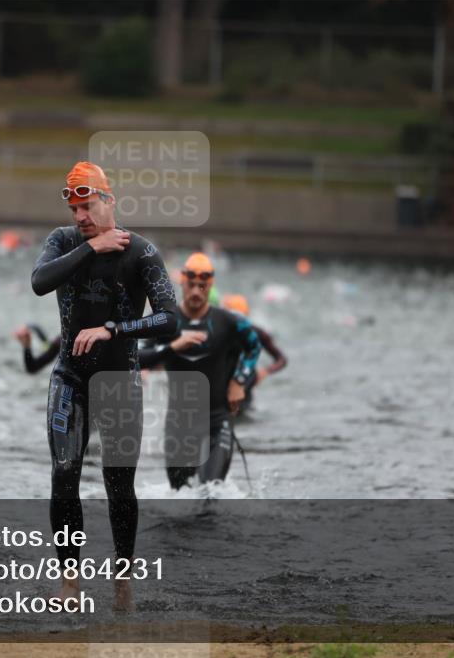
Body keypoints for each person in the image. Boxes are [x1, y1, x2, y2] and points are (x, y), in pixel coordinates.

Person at [31, 161, 178, 610]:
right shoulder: (64, 241)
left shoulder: (141, 252)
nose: (81, 216)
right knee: (63, 474)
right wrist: (92, 246)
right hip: (70, 378)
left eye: (88, 206)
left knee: (119, 485)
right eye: (75, 209)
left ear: (109, 200)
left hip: (120, 381)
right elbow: (39, 282)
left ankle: (122, 579)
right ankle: (70, 581)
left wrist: (114, 328)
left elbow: (170, 319)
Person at [139, 253, 261, 490]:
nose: (196, 291)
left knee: (210, 490)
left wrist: (239, 382)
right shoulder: (163, 321)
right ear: (182, 281)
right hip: (179, 425)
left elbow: (254, 347)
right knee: (180, 495)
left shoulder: (229, 321)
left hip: (217, 421)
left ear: (211, 284)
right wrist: (174, 346)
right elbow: (136, 358)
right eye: (191, 284)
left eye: (202, 286)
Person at [221, 293, 288, 414]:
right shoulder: (214, 331)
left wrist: (266, 371)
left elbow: (281, 359)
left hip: (245, 382)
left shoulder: (256, 332)